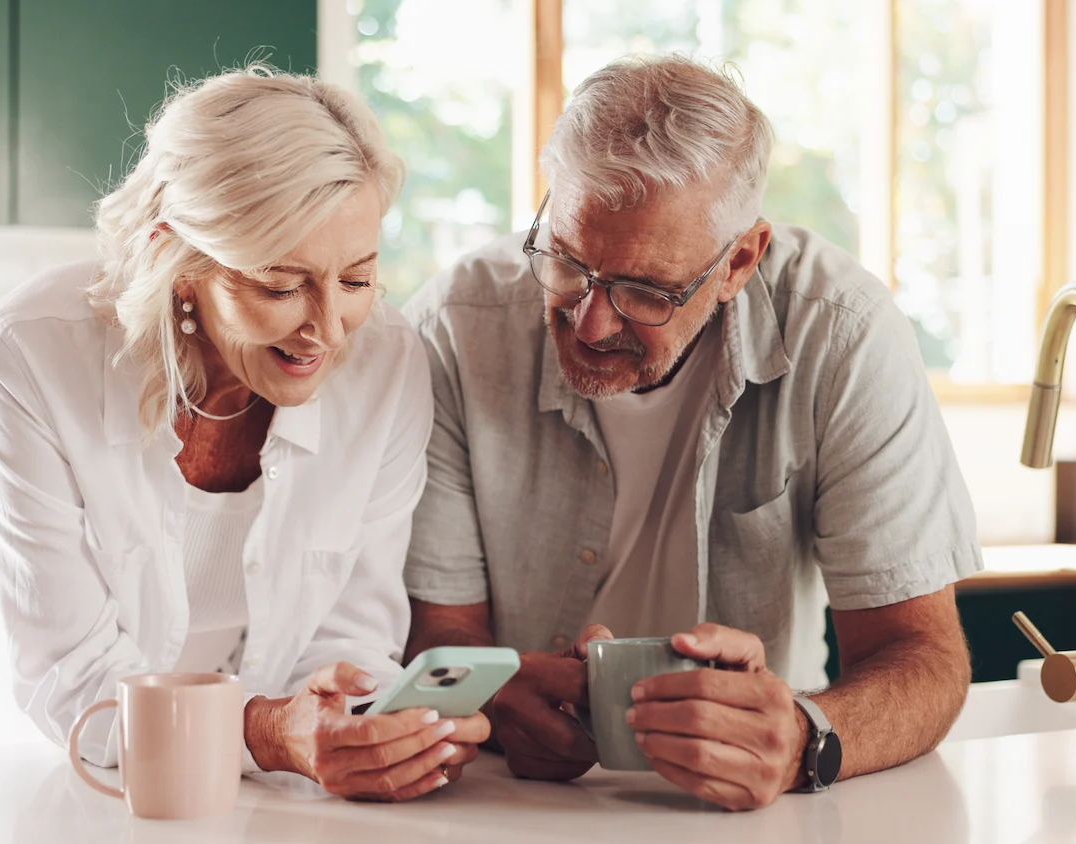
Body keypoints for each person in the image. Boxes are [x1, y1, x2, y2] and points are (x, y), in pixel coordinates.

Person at [0, 66, 487, 802]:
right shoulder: (31, 351)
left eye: (358, 279)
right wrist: (267, 731)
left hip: (227, 757)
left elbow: (353, 627)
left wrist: (366, 725)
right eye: (280, 286)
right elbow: (70, 677)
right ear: (180, 260)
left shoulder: (387, 364)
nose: (328, 330)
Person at [401, 54, 981, 810]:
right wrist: (498, 687)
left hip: (759, 808)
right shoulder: (454, 326)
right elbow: (435, 637)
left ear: (740, 260)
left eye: (644, 290)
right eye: (569, 263)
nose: (590, 320)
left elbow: (926, 659)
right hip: (509, 800)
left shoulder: (843, 335)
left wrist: (805, 735)